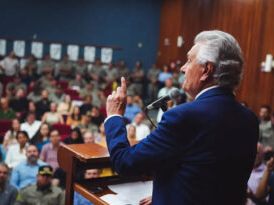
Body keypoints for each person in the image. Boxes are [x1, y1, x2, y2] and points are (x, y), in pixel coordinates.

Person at [104, 30, 258, 204]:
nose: (182, 68)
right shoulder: (250, 119)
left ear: (206, 70)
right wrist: (170, 192)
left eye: (189, 60)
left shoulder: (183, 116)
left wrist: (114, 116)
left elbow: (125, 162)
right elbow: (211, 176)